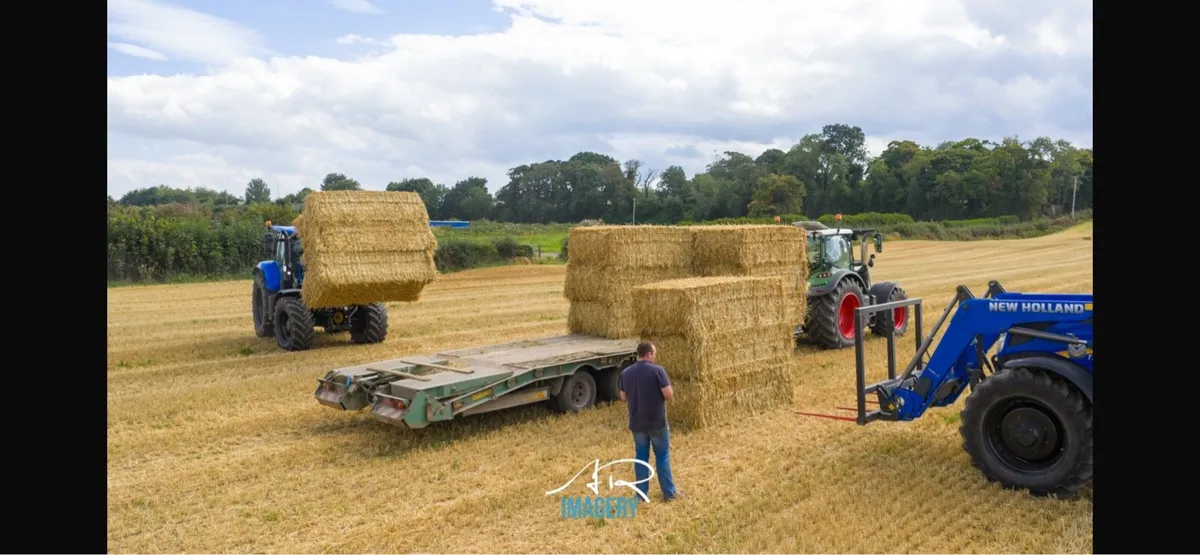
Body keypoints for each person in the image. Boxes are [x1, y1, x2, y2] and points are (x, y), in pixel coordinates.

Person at [618, 341, 680, 501]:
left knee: (641, 457)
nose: (655, 356)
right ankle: (669, 493)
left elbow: (623, 397)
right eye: (655, 353)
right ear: (649, 354)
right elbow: (668, 394)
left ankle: (640, 495)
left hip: (637, 423)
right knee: (662, 455)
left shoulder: (626, 373)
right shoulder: (658, 371)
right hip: (656, 422)